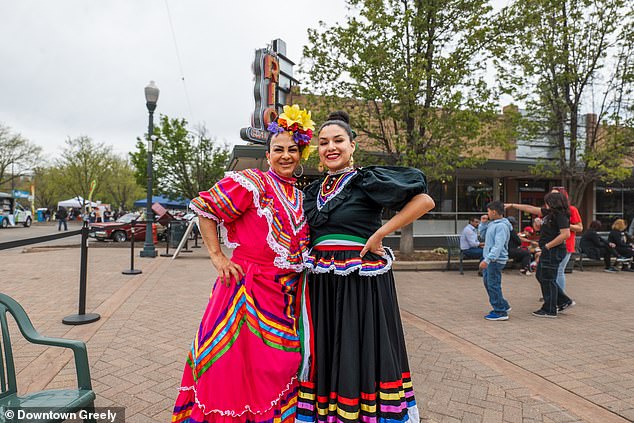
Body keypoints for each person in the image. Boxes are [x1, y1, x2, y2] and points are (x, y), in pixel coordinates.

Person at [172, 106, 314, 423]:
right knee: (233, 370)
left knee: (278, 365)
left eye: (293, 149)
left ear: (301, 154)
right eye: (279, 149)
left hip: (283, 297)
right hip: (244, 293)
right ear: (268, 154)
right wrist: (217, 256)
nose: (286, 155)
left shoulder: (298, 196)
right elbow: (206, 208)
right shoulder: (251, 183)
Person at [297, 111, 435, 423]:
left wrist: (381, 233)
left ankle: (361, 413)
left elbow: (424, 201)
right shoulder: (312, 191)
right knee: (327, 346)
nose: (331, 147)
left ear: (352, 146)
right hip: (321, 281)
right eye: (323, 143)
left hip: (360, 278)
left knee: (358, 344)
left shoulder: (367, 180)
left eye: (338, 141)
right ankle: (327, 412)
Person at [506, 192, 574, 318]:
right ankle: (563, 300)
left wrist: (548, 246)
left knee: (548, 278)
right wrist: (512, 205)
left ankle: (550, 309)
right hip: (549, 250)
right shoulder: (550, 213)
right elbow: (530, 208)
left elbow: (565, 234)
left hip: (554, 250)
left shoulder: (560, 215)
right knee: (541, 275)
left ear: (553, 202)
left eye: (547, 201)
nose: (545, 204)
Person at [479, 201, 512, 321]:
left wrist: (488, 260)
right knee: (489, 283)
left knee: (493, 284)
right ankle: (502, 305)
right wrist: (483, 224)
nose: (487, 213)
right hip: (492, 259)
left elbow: (498, 245)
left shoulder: (501, 226)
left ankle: (500, 311)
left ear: (493, 211)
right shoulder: (492, 224)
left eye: (488, 211)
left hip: (495, 260)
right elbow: (483, 235)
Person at [551, 187, 582, 292]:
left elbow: (580, 227)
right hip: (552, 243)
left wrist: (566, 225)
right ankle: (552, 292)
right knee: (551, 270)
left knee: (559, 270)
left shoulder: (572, 210)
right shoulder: (550, 210)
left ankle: (560, 294)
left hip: (566, 244)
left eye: (555, 195)